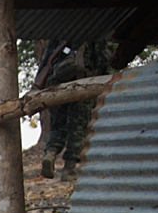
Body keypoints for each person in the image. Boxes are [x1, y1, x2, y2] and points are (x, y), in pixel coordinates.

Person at [35, 40, 110, 182]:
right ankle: (69, 169)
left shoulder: (58, 37)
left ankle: (50, 154)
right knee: (78, 129)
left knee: (58, 126)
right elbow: (103, 62)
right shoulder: (94, 37)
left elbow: (46, 62)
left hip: (57, 87)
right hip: (82, 87)